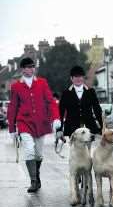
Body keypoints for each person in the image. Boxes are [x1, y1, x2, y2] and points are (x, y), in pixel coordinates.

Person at [7, 57, 61, 193]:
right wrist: (12, 129)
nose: (32, 69)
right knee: (29, 150)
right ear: (22, 69)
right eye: (28, 67)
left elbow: (50, 101)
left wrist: (55, 118)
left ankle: (36, 175)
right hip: (24, 123)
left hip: (41, 123)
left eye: (33, 67)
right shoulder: (16, 86)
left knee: (38, 154)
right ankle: (33, 181)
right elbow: (13, 107)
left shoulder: (42, 83)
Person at [58, 65, 103, 137]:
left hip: (89, 127)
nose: (78, 79)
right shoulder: (66, 93)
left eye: (80, 76)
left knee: (89, 148)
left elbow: (97, 109)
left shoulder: (91, 92)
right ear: (71, 78)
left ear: (83, 78)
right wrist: (60, 127)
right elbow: (61, 111)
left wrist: (101, 125)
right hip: (71, 128)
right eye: (76, 77)